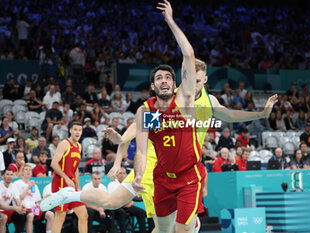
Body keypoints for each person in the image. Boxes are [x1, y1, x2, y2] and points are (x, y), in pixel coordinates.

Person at [40, 3, 277, 232]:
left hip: (186, 170)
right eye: (188, 78)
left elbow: (230, 113)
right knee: (120, 206)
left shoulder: (205, 103)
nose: (191, 82)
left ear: (203, 80)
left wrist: (260, 113)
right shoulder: (157, 107)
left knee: (168, 226)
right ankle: (69, 195)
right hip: (157, 167)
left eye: (195, 79)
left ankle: (190, 225)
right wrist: (124, 151)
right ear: (158, 85)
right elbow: (137, 140)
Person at [50, 121, 88, 233]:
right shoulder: (64, 144)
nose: (77, 132)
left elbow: (75, 168)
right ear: (70, 130)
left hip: (71, 184)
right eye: (75, 129)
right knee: (60, 216)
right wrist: (66, 178)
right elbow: (53, 164)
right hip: (60, 182)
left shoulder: (79, 146)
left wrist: (78, 186)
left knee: (84, 215)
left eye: (80, 130)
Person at [14, 165, 54, 233]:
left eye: (30, 170)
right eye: (26, 169)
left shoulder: (34, 185)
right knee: (30, 215)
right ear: (22, 173)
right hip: (24, 209)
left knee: (50, 214)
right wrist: (28, 188)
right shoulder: (17, 184)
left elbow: (36, 201)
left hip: (34, 209)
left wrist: (42, 200)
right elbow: (18, 199)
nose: (28, 171)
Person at [108, 168, 147, 233]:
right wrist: (127, 202)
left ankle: (143, 231)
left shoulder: (128, 184)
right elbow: (115, 198)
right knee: (122, 213)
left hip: (127, 205)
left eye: (124, 173)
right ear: (116, 175)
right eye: (120, 173)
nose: (122, 175)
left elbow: (132, 197)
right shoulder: (112, 184)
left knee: (141, 212)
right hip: (116, 206)